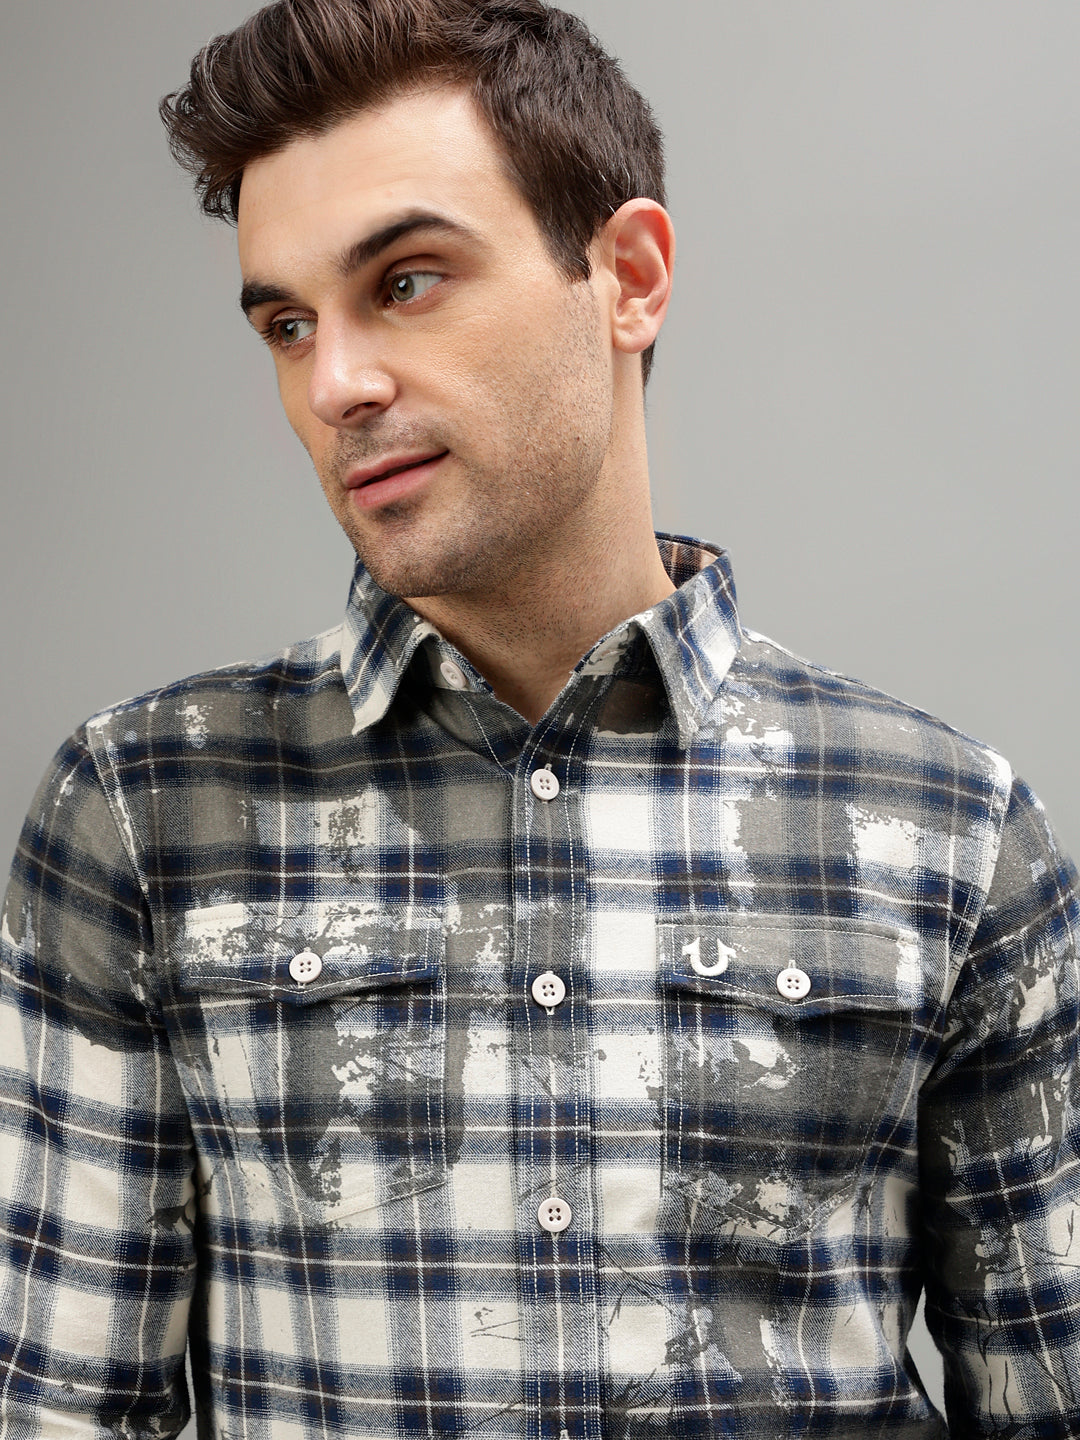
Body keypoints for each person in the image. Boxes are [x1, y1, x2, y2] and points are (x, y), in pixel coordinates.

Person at [1, 0, 1078, 1434]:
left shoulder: (953, 828)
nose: (335, 385)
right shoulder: (144, 814)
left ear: (628, 277)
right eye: (288, 324)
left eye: (408, 281)